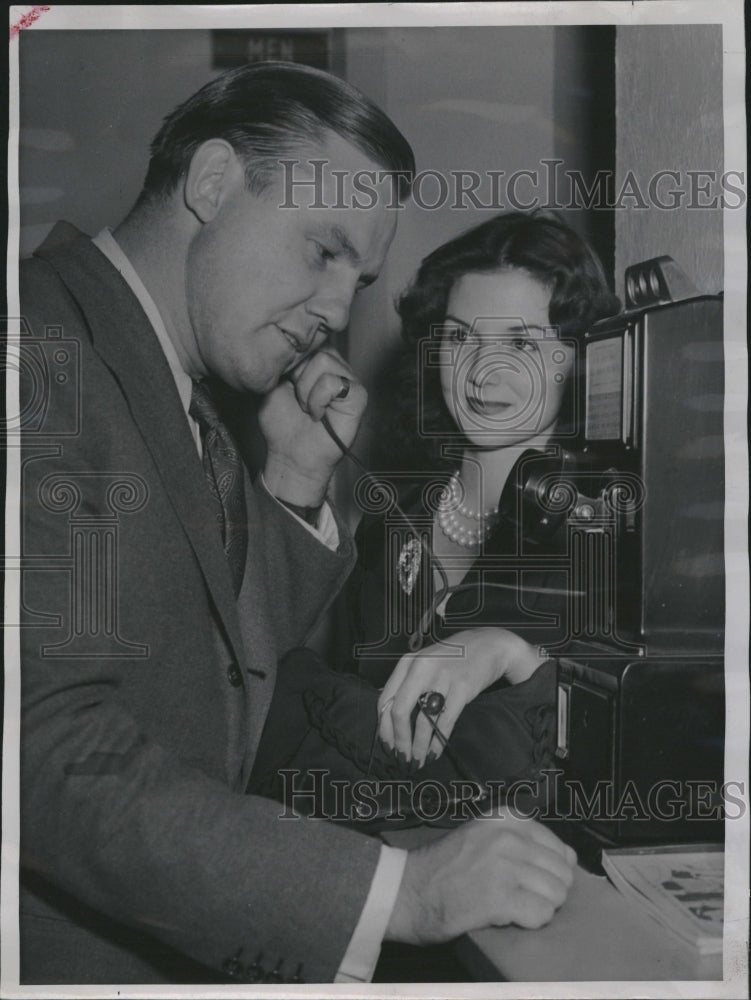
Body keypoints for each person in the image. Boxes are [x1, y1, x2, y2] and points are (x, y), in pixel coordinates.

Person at [18, 62, 576, 986]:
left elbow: (225, 690)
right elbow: (43, 754)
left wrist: (289, 476)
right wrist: (400, 894)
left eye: (356, 281)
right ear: (211, 181)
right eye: (322, 250)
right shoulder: (36, 349)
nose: (332, 313)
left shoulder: (172, 388)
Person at [250, 211, 620, 814]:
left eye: (521, 343)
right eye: (459, 337)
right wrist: (298, 471)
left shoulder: (606, 533)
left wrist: (516, 655)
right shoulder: (392, 525)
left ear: (576, 360)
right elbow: (247, 681)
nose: (482, 371)